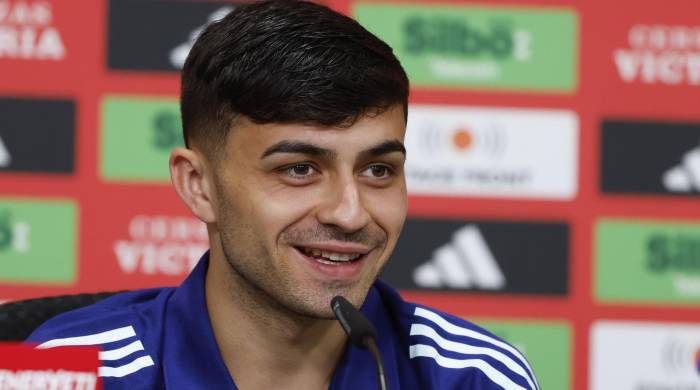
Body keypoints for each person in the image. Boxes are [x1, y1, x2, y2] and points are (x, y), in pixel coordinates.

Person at [27, 1, 539, 389]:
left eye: (379, 169)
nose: (350, 212)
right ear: (197, 185)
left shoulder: (473, 376)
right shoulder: (69, 368)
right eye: (299, 169)